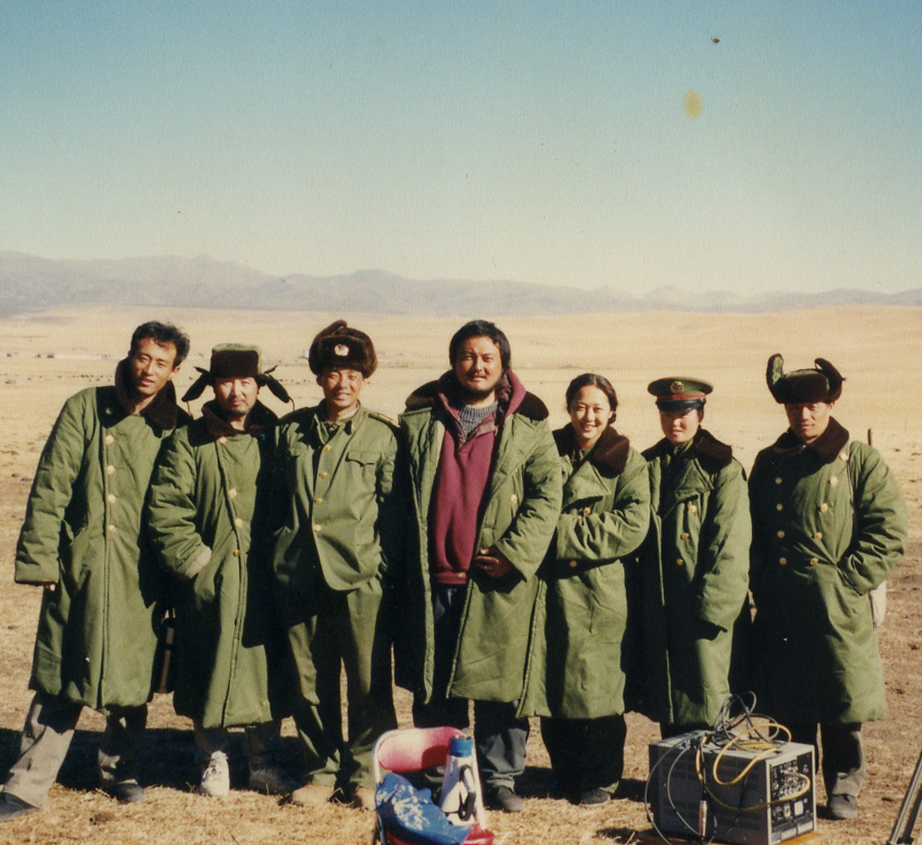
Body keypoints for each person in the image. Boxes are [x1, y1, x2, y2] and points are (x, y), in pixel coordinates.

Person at [0, 321, 189, 822]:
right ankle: (26, 786)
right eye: (142, 357)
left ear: (175, 370)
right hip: (81, 564)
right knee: (61, 673)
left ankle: (120, 770)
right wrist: (41, 558)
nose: (148, 370)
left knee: (134, 674)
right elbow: (51, 485)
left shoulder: (178, 425)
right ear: (129, 355)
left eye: (161, 363)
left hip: (143, 571)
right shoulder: (85, 408)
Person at [393, 320, 562, 813]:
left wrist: (514, 552)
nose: (477, 365)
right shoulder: (421, 419)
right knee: (435, 686)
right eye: (467, 355)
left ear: (503, 363)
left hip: (496, 579)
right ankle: (437, 773)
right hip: (434, 576)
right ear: (453, 361)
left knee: (499, 687)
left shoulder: (529, 426)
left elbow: (546, 496)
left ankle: (500, 777)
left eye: (488, 357)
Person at [745, 355, 907, 821]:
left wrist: (848, 581)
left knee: (841, 697)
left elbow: (889, 529)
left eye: (814, 405)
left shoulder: (859, 461)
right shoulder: (769, 462)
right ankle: (792, 784)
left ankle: (843, 786)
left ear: (831, 404)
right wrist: (761, 580)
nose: (805, 415)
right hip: (782, 602)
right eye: (795, 407)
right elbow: (752, 530)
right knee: (788, 702)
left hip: (838, 602)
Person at [147, 344, 292, 798]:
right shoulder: (188, 442)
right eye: (227, 382)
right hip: (211, 580)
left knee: (267, 670)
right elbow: (167, 508)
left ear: (259, 386)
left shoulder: (279, 439)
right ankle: (212, 759)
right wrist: (197, 564)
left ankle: (263, 761)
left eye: (246, 382)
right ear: (212, 386)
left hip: (268, 578)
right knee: (206, 665)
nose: (236, 391)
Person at [264, 321, 399, 810]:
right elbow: (273, 502)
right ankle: (319, 771)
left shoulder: (383, 436)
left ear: (365, 379)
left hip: (360, 577)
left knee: (367, 682)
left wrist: (378, 567)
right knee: (309, 682)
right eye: (334, 373)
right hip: (299, 575)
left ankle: (365, 773)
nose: (343, 383)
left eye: (353, 374)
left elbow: (393, 513)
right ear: (320, 376)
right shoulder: (290, 432)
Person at [535, 373, 650, 805]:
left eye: (598, 408)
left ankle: (601, 777)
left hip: (599, 590)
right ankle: (564, 772)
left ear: (612, 412)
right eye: (581, 406)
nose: (589, 416)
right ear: (568, 408)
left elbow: (632, 524)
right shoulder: (546, 451)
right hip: (549, 588)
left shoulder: (628, 462)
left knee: (599, 688)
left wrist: (558, 532)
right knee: (554, 683)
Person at [633, 377, 751, 738]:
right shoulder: (646, 465)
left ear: (700, 415)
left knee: (710, 705)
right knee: (671, 707)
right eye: (667, 414)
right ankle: (677, 771)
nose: (675, 422)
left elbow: (730, 546)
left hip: (702, 610)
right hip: (661, 608)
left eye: (684, 413)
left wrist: (713, 612)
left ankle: (714, 771)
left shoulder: (722, 469)